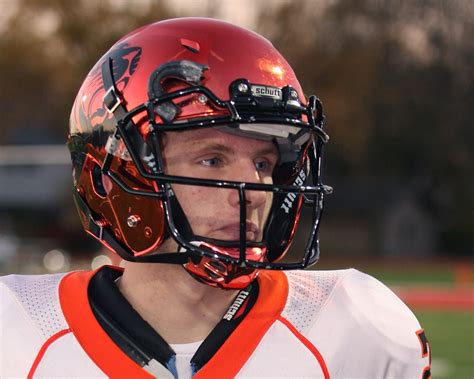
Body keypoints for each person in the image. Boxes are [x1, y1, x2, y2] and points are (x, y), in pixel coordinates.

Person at [0, 18, 431, 378]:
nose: (254, 190)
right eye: (212, 160)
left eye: (263, 163)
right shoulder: (16, 332)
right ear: (113, 177)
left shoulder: (356, 327)